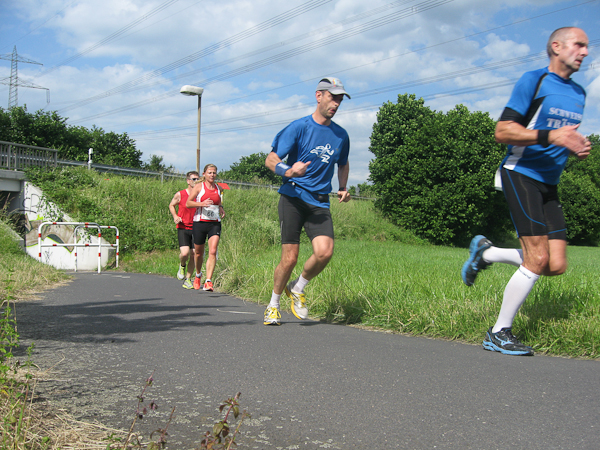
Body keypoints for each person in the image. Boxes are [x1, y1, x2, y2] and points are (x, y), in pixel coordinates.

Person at [461, 27, 591, 356]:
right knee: (537, 257)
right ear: (556, 46)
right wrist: (551, 136)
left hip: (549, 183)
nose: (585, 52)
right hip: (520, 173)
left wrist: (575, 144)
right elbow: (503, 131)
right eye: (579, 45)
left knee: (555, 264)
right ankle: (498, 332)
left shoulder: (579, 92)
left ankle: (486, 254)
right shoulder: (534, 81)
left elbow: (562, 135)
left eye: (587, 46)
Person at [263, 77, 352, 326]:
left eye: (340, 99)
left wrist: (343, 187)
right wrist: (289, 171)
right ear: (318, 96)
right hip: (293, 196)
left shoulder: (341, 135)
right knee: (290, 258)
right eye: (332, 97)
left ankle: (298, 287)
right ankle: (273, 305)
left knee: (325, 252)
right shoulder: (299, 127)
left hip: (319, 201)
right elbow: (271, 159)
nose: (336, 103)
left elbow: (343, 163)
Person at [186, 164, 225, 292]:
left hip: (214, 223)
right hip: (200, 222)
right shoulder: (199, 187)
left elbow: (218, 201)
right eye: (209, 173)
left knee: (213, 251)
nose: (212, 175)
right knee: (198, 253)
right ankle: (198, 274)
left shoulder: (219, 188)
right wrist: (201, 203)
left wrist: (221, 208)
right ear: (204, 174)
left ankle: (208, 281)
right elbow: (188, 203)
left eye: (214, 173)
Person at [168, 171, 200, 289]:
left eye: (198, 179)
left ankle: (188, 279)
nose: (196, 181)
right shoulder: (180, 194)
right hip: (183, 227)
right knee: (185, 253)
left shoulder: (199, 195)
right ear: (188, 181)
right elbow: (171, 205)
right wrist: (175, 216)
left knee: (194, 254)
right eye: (194, 179)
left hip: (196, 227)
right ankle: (182, 265)